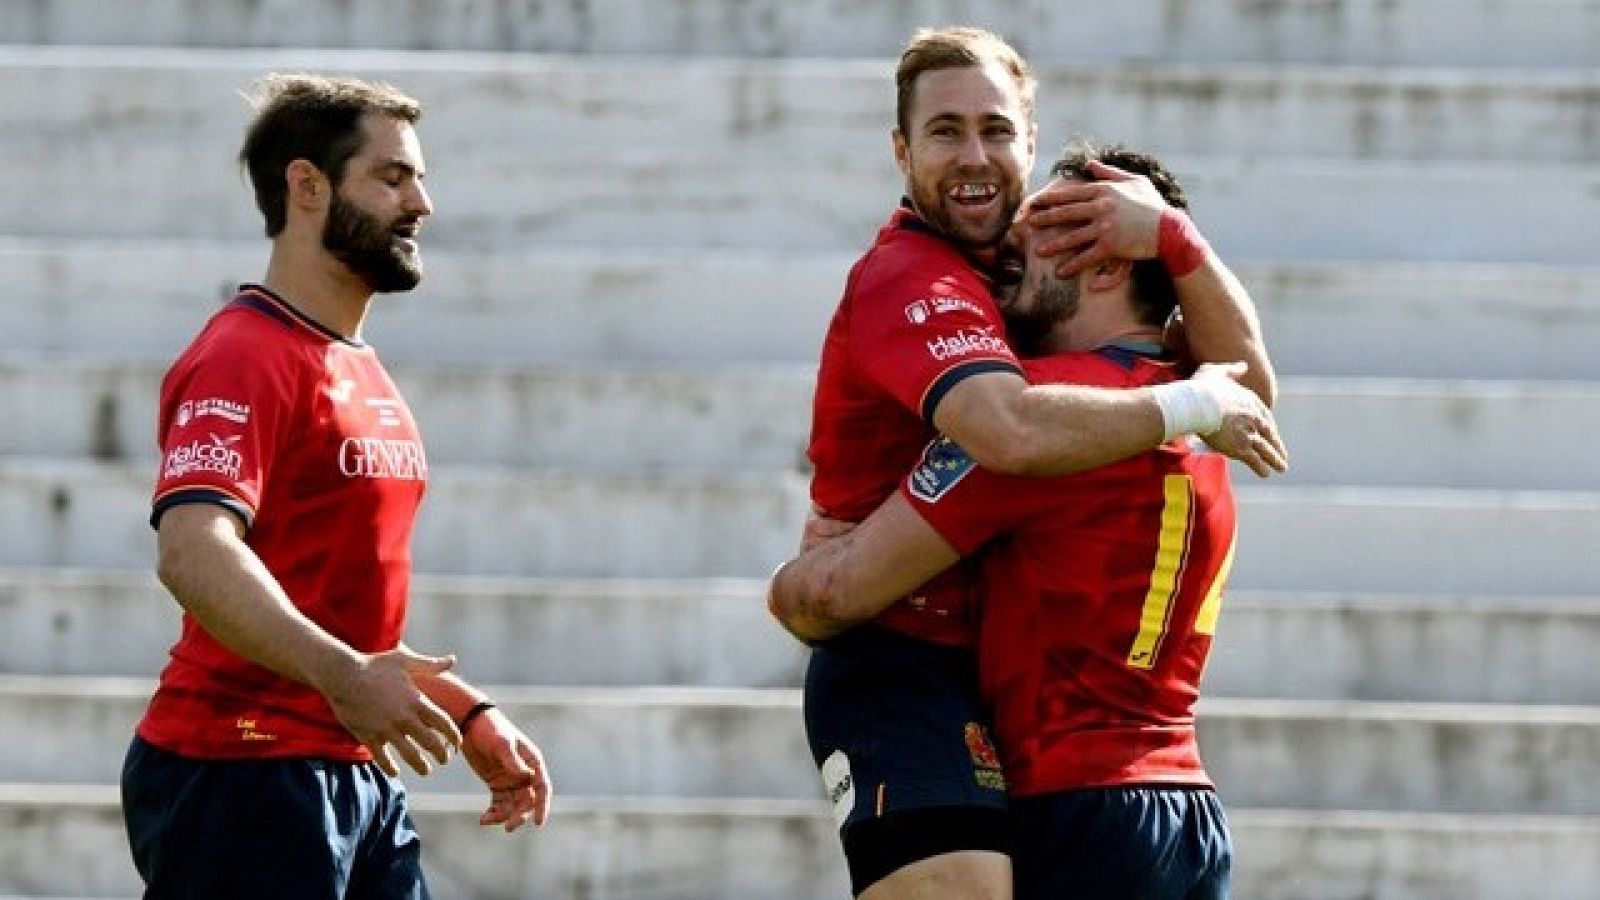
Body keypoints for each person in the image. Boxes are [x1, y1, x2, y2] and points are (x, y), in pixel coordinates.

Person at [796, 26, 1282, 900]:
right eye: (944, 131)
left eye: (995, 130)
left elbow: (1007, 437)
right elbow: (1246, 384)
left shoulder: (1073, 412)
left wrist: (792, 586)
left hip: (1074, 796)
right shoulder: (1172, 387)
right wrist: (1178, 257)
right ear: (901, 151)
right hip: (1166, 799)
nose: (974, 157)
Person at [120, 74, 552, 898]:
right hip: (241, 767)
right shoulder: (245, 354)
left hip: (350, 768)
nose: (421, 203)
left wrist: (460, 709)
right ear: (308, 186)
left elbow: (329, 600)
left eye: (419, 178)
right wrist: (347, 677)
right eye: (392, 178)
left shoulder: (356, 365)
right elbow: (192, 550)